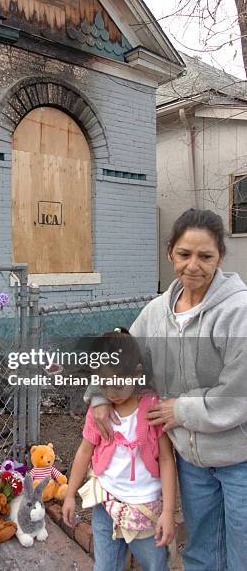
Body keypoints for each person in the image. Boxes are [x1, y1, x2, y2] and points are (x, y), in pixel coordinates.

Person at [89, 209, 247, 571]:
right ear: (170, 253)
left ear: (220, 257)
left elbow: (239, 392)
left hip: (239, 458)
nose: (194, 265)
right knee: (201, 550)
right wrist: (99, 395)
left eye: (205, 256)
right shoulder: (157, 312)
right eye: (184, 254)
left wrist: (180, 411)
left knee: (242, 551)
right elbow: (120, 355)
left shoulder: (238, 311)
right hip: (190, 461)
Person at [62, 329, 176, 571]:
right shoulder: (99, 412)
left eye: (117, 382)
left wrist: (168, 511)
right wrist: (70, 494)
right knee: (105, 567)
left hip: (145, 510)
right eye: (103, 383)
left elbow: (167, 459)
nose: (111, 391)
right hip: (106, 504)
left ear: (136, 375)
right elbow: (84, 452)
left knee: (156, 566)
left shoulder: (153, 409)